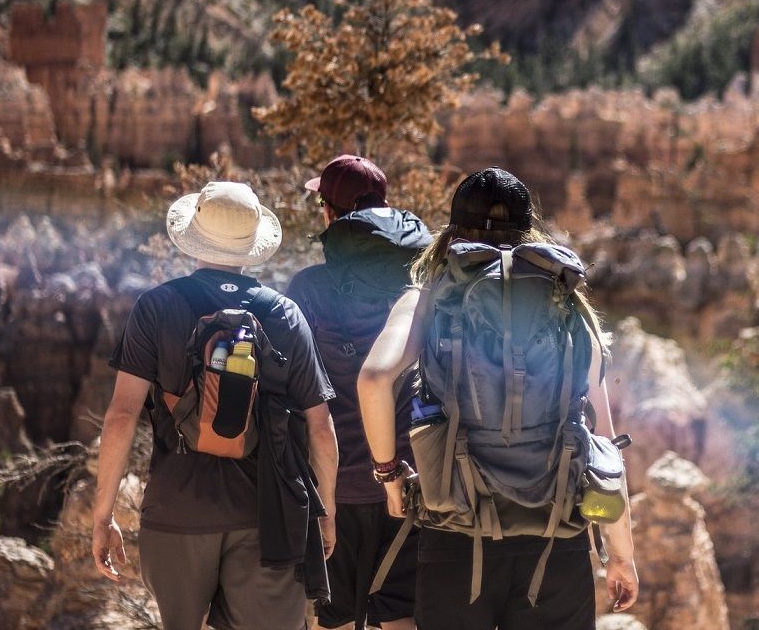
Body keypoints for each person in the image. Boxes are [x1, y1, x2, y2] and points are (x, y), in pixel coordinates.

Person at [357, 167, 639, 630]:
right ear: (529, 230)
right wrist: (621, 555)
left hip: (456, 533)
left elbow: (373, 380)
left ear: (451, 230)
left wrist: (390, 478)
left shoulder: (428, 296)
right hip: (556, 537)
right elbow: (603, 443)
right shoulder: (566, 302)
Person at [92, 181, 339, 630]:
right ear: (253, 245)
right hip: (267, 521)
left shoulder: (156, 307)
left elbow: (121, 416)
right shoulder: (284, 314)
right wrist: (328, 514)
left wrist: (103, 515)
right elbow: (320, 427)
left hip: (176, 512)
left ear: (194, 237)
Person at [287, 155, 432, 630]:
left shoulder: (307, 289)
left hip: (337, 485)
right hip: (410, 478)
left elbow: (293, 394)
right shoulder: (419, 284)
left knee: (337, 618)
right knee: (401, 616)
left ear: (329, 214)